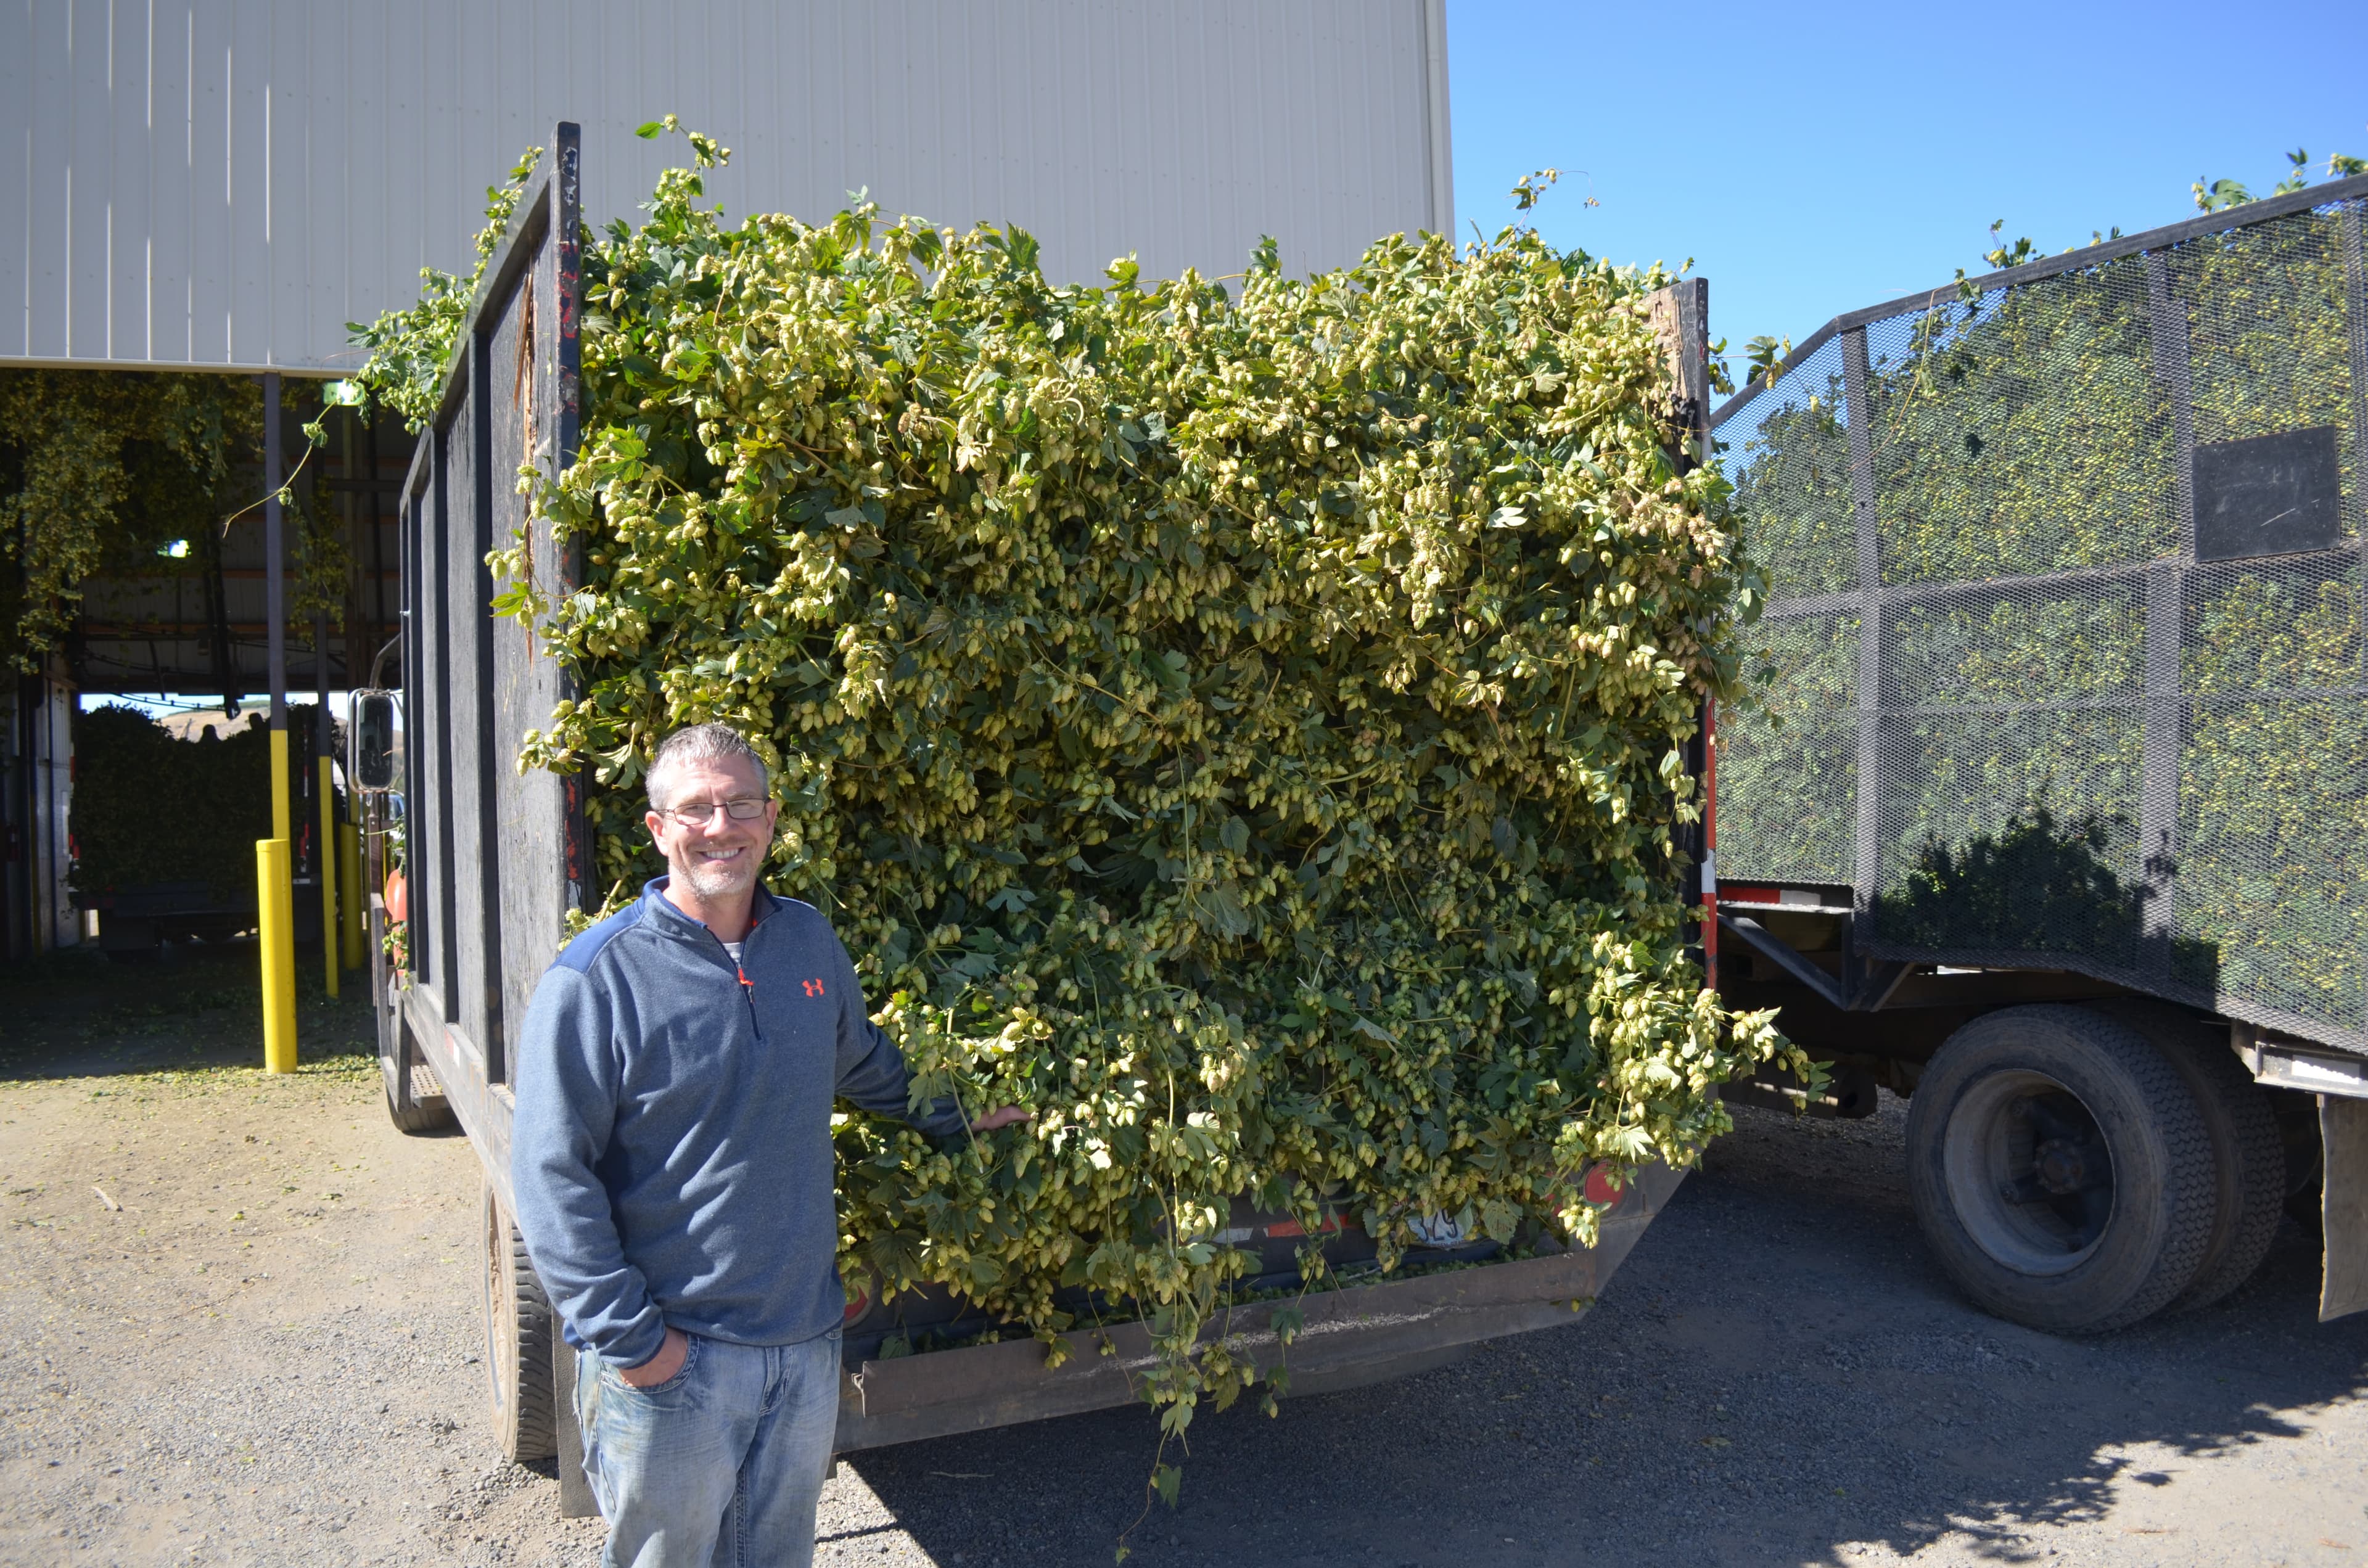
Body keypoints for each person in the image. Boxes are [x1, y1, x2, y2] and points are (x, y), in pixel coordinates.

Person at [512, 722, 1027, 1568]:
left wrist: (963, 1111)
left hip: (803, 1345)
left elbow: (859, 1059)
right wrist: (640, 1348)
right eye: (697, 808)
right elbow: (549, 1178)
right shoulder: (596, 980)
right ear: (658, 829)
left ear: (772, 817)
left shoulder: (805, 942)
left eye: (740, 804)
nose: (722, 826)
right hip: (678, 1360)